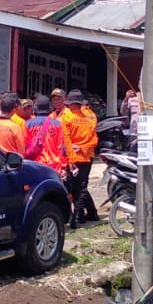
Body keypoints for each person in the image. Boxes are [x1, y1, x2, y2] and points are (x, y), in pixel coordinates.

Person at [60, 90, 100, 226]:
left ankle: (77, 217)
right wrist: (83, 148)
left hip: (74, 158)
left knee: (73, 188)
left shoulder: (67, 118)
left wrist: (71, 161)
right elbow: (94, 141)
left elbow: (67, 141)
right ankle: (82, 215)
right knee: (81, 187)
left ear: (70, 104)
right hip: (87, 157)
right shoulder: (90, 117)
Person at [25, 96, 69, 174]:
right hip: (53, 167)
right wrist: (63, 166)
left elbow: (24, 147)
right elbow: (62, 147)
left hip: (34, 166)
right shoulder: (58, 125)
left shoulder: (27, 124)